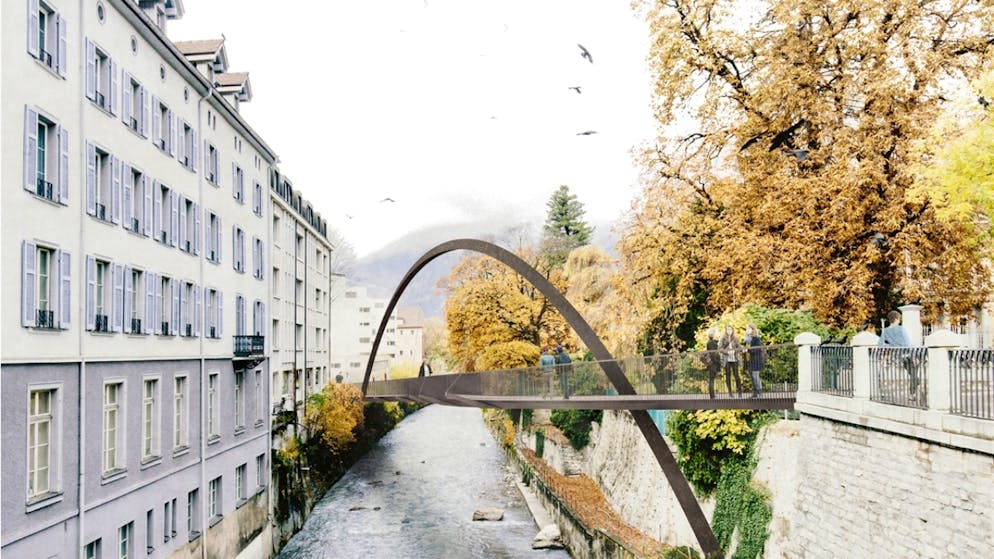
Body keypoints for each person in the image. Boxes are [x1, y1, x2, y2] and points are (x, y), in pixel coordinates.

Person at [878, 310, 918, 399]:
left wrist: (891, 345)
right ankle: (912, 393)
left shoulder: (885, 331)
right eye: (899, 319)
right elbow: (908, 344)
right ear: (896, 319)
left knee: (913, 375)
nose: (899, 321)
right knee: (915, 375)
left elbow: (880, 344)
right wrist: (914, 355)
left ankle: (913, 391)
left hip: (899, 356)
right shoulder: (901, 329)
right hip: (908, 354)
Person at [719, 326, 743, 397]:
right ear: (725, 331)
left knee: (736, 376)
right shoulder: (722, 339)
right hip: (726, 360)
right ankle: (730, 393)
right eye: (728, 330)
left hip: (734, 359)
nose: (729, 331)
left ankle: (740, 392)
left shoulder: (735, 338)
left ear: (732, 330)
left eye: (730, 329)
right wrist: (727, 352)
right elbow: (719, 348)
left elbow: (739, 348)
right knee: (728, 376)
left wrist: (734, 351)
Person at [743, 324, 765, 397]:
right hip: (750, 360)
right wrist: (744, 350)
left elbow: (756, 349)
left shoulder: (756, 339)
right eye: (747, 329)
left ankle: (760, 392)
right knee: (752, 377)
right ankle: (755, 393)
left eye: (750, 329)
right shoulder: (746, 340)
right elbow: (745, 348)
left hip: (756, 360)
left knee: (756, 376)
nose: (748, 330)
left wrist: (747, 350)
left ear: (753, 330)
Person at [705, 328, 721, 399]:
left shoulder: (711, 342)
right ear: (713, 334)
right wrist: (718, 361)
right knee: (711, 379)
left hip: (713, 363)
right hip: (713, 363)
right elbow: (712, 354)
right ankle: (712, 396)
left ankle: (712, 395)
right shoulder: (711, 342)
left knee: (712, 379)